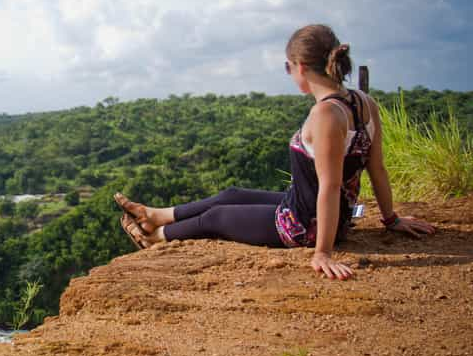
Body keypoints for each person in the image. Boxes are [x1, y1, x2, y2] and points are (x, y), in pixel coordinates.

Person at [115, 24, 435, 280]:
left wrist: (322, 252)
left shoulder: (325, 116)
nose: (289, 73)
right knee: (232, 194)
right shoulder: (364, 103)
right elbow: (377, 168)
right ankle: (157, 215)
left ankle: (157, 237)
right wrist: (391, 220)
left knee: (217, 217)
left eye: (288, 67)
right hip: (311, 208)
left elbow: (329, 186)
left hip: (303, 224)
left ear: (301, 67)